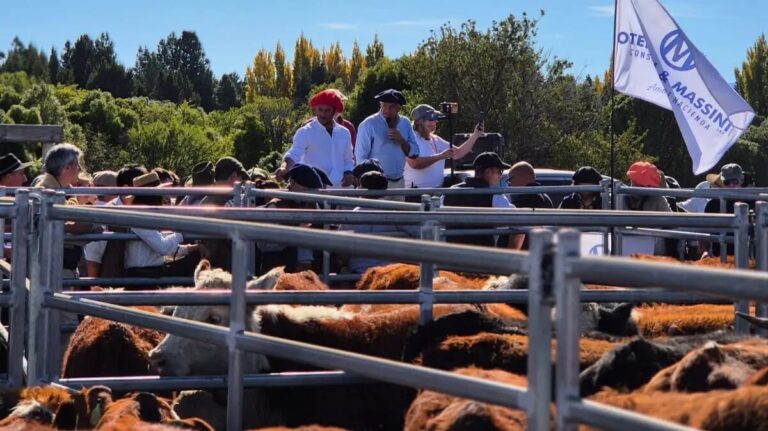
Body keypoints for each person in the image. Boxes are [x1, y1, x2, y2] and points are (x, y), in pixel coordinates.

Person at [123, 172, 201, 281]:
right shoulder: (140, 217)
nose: (163, 196)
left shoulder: (143, 215)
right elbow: (163, 247)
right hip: (144, 275)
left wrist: (192, 249)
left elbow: (163, 245)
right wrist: (181, 233)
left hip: (148, 272)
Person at [276, 89, 354, 188]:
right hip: (313, 191)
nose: (323, 114)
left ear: (334, 111)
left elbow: (348, 160)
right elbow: (293, 154)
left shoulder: (344, 133)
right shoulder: (305, 132)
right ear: (315, 110)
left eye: (327, 110)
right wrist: (284, 168)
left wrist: (348, 173)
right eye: (320, 110)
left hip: (340, 189)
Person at [339, 171, 413, 274]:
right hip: (389, 273)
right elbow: (420, 232)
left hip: (360, 272)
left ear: (361, 189)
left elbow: (341, 247)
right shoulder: (394, 213)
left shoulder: (352, 216)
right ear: (385, 190)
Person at [259, 163, 324, 274]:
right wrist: (294, 232)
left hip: (308, 268)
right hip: (281, 270)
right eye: (308, 189)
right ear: (293, 183)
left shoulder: (312, 204)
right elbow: (264, 245)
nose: (311, 195)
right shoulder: (276, 206)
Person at [84, 165, 148, 278]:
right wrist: (93, 286)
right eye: (142, 185)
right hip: (109, 285)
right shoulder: (107, 213)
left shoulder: (140, 211)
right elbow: (93, 257)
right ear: (127, 188)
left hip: (129, 281)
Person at [443, 152, 515, 247]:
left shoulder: (450, 192)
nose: (500, 176)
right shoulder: (494, 196)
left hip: (453, 253)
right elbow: (518, 221)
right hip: (482, 255)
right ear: (488, 172)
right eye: (499, 171)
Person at [355, 89, 420, 195]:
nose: (387, 110)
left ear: (399, 108)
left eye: (392, 106)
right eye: (384, 105)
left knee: (398, 211)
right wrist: (366, 181)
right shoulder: (368, 124)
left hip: (399, 182)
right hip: (375, 184)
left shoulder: (405, 123)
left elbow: (415, 153)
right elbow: (360, 157)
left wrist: (401, 140)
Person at [404, 104, 483, 189]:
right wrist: (441, 156)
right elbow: (415, 163)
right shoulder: (410, 139)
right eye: (431, 119)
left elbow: (458, 152)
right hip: (416, 193)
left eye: (435, 119)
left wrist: (475, 135)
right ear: (420, 121)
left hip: (437, 191)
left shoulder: (435, 139)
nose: (436, 122)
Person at [625, 161, 671, 255]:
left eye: (641, 184)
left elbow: (671, 222)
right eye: (635, 182)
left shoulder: (657, 199)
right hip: (624, 248)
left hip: (653, 252)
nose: (636, 185)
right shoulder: (620, 197)